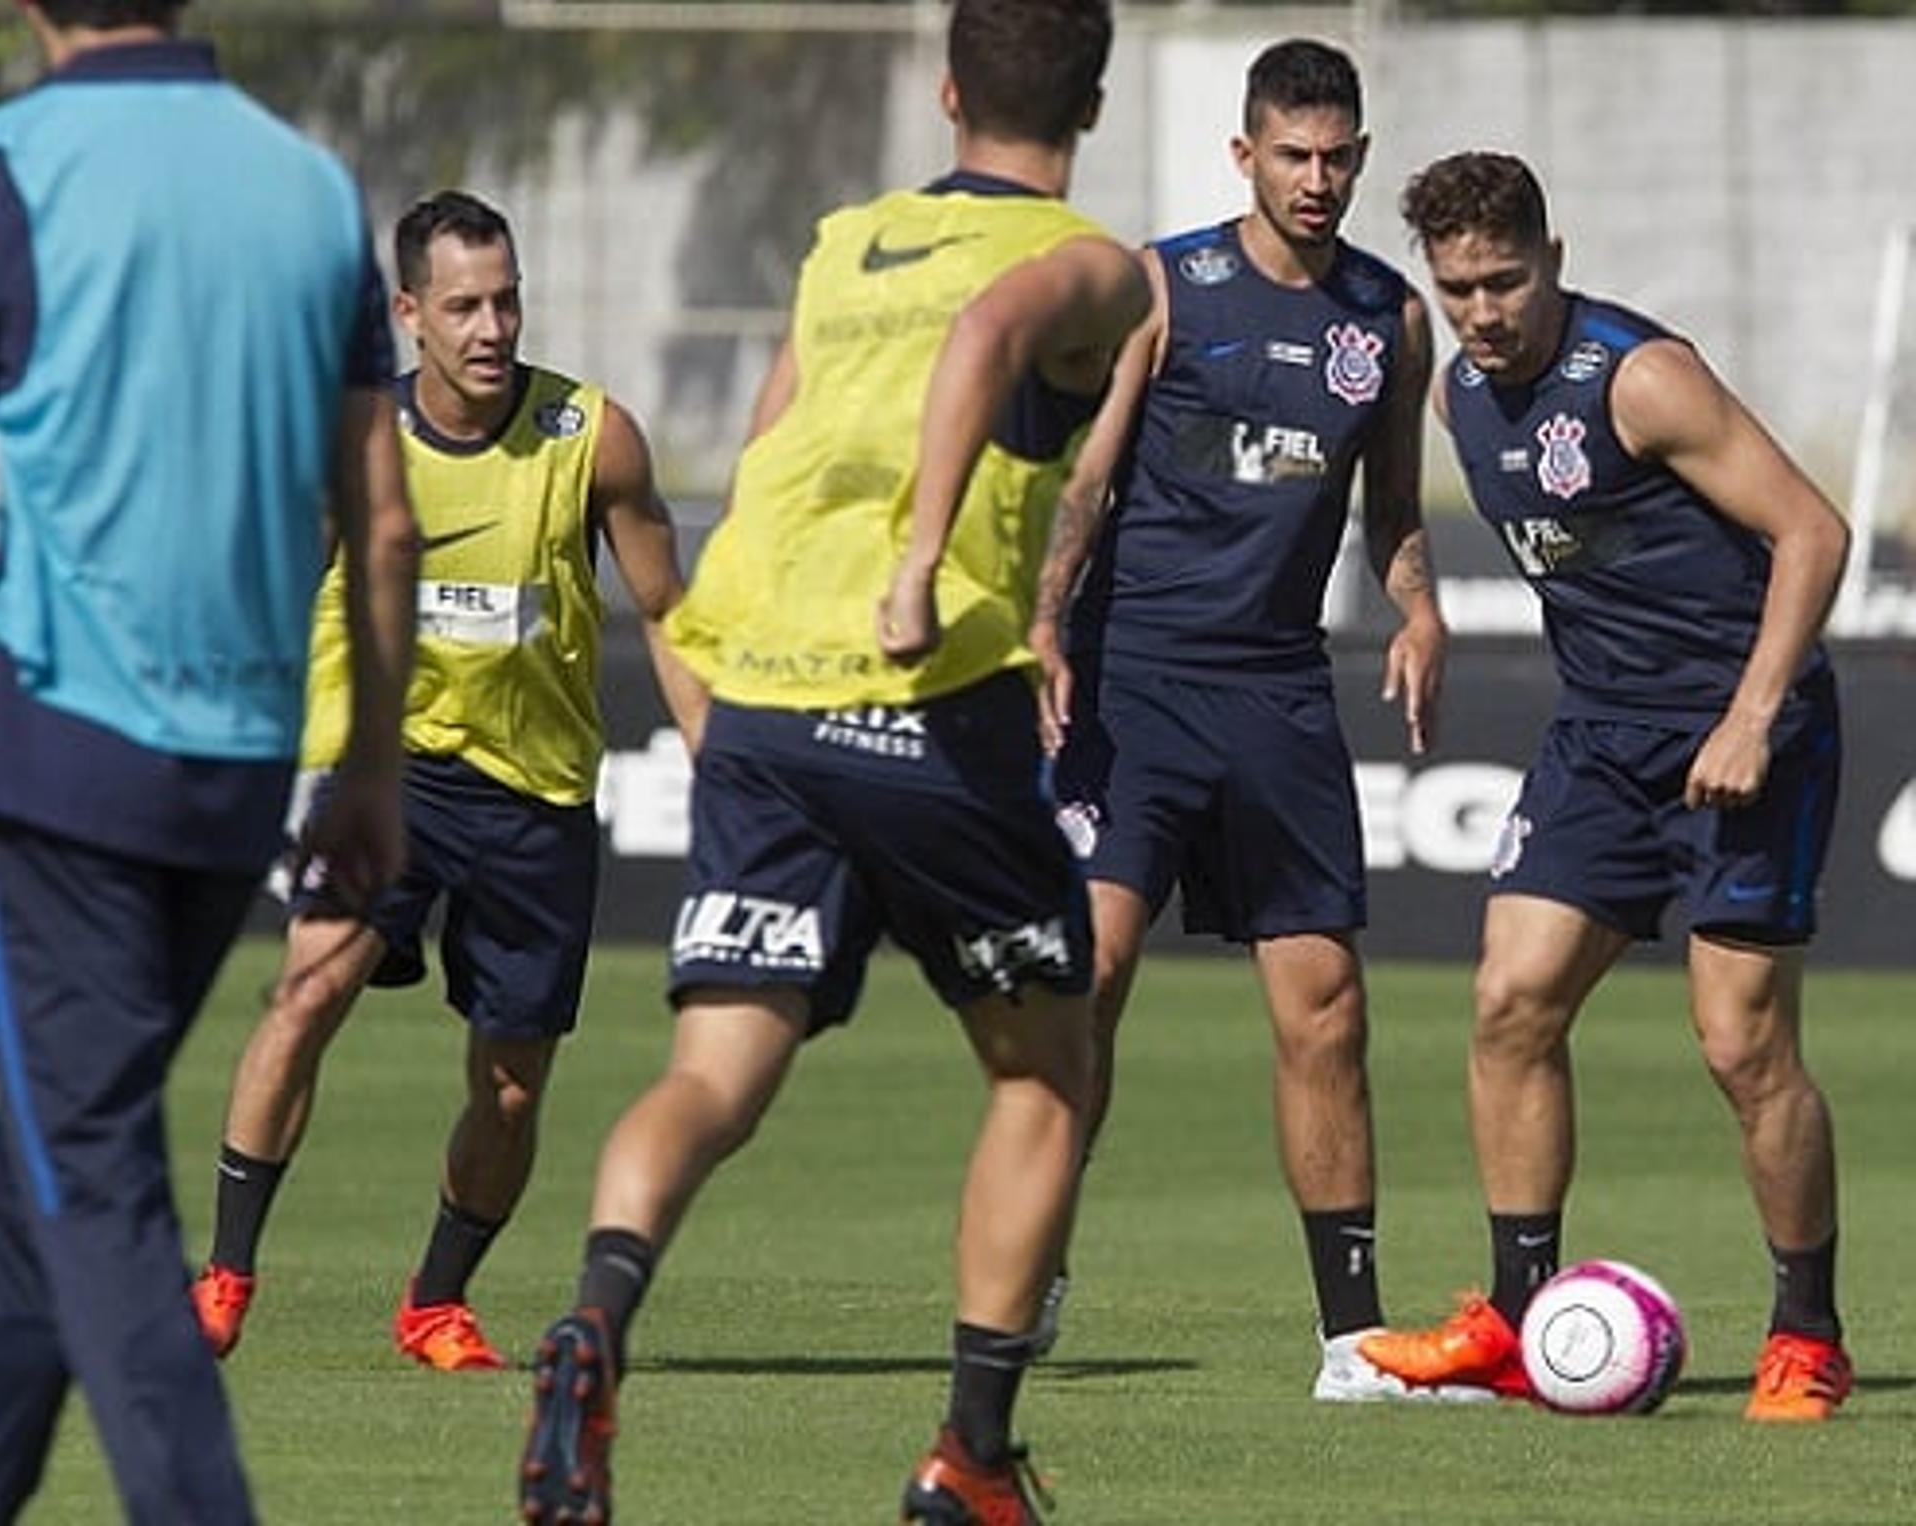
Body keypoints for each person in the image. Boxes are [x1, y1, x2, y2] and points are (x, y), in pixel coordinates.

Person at [516, 3, 1147, 1521]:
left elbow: (768, 435)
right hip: (927, 692)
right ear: (1097, 100)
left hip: (770, 691)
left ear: (945, 91)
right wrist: (924, 560)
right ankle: (972, 1455)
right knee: (1048, 1068)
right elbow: (996, 336)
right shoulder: (1101, 265)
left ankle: (594, 1319)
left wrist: (743, 652)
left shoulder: (848, 239)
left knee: (714, 1068)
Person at [0, 1, 418, 1519]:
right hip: (237, 774)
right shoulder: (306, 185)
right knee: (33, 1184)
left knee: (91, 1182)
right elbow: (381, 517)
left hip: (49, 772)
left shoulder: (15, 162)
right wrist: (368, 768)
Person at [1357, 151, 1853, 1422]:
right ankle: (1516, 1320)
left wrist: (1750, 715)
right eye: (1459, 285)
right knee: (1509, 1000)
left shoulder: (1639, 377)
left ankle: (1807, 1335)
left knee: (1742, 1045)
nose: (1483, 310)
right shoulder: (1461, 392)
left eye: (1506, 280)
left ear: (1554, 259)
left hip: (1750, 730)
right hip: (1602, 739)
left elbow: (1813, 530)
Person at [191, 190, 705, 1373]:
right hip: (384, 768)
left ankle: (434, 1299)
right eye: (464, 304)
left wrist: (721, 768)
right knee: (306, 992)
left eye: (507, 298)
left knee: (513, 1085)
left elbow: (671, 612)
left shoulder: (593, 437)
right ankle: (222, 1275)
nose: (491, 326)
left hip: (536, 791)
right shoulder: (346, 441)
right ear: (409, 313)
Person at [1028, 38, 1452, 1401]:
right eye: (1293, 155)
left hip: (1278, 691)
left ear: (1361, 157)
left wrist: (1422, 611)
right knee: (1086, 975)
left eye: (1338, 157)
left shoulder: (1388, 319)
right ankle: (1028, 1261)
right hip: (1131, 680)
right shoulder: (1163, 285)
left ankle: (1351, 1336)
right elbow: (1086, 486)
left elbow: (1392, 512)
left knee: (1324, 1005)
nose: (1317, 179)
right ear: (1245, 157)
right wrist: (1043, 620)